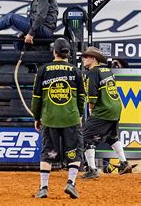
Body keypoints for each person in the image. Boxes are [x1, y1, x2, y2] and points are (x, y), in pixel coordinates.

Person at [31, 38, 85, 199]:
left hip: (50, 119)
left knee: (48, 152)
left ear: (54, 52)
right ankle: (70, 183)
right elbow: (81, 97)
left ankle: (44, 187)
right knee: (74, 152)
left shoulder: (43, 70)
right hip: (71, 119)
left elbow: (36, 97)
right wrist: (79, 115)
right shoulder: (75, 71)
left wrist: (37, 117)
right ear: (68, 53)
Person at [81, 46, 134, 178]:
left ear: (93, 59)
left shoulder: (92, 72)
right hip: (116, 107)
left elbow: (92, 97)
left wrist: (92, 112)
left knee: (86, 136)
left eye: (86, 57)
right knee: (111, 137)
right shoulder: (107, 70)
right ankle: (124, 163)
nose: (83, 59)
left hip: (104, 109)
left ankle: (92, 170)